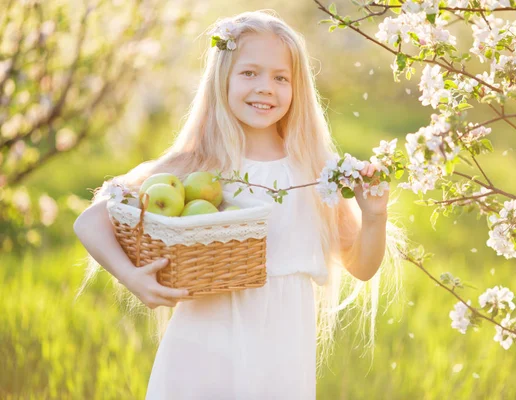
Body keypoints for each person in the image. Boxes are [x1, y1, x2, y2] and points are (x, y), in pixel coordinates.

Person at [73, 9, 407, 399]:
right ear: (222, 81)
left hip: (281, 357)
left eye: (280, 77)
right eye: (250, 73)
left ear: (297, 89)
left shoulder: (317, 173)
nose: (266, 87)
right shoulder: (198, 164)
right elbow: (90, 221)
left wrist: (375, 217)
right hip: (203, 348)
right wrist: (132, 279)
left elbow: (361, 266)